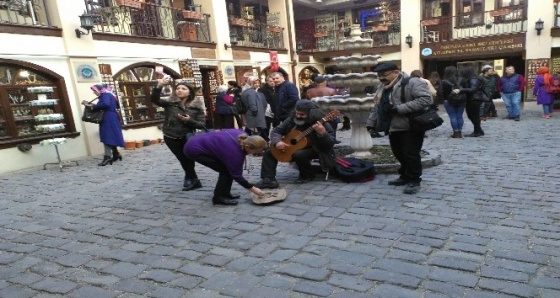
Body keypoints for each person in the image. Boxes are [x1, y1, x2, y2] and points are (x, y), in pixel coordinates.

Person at [370, 62, 433, 194]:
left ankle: (414, 180)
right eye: (379, 75)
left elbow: (426, 100)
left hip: (411, 125)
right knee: (398, 153)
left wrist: (398, 109)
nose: (381, 78)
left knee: (411, 154)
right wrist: (371, 123)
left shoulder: (413, 83)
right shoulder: (382, 87)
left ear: (396, 72)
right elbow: (377, 106)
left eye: (384, 75)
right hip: (393, 126)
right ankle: (404, 176)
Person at [255, 100, 336, 188]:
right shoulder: (291, 120)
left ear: (311, 114)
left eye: (302, 115)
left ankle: (307, 175)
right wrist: (277, 141)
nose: (298, 116)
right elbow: (277, 131)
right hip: (293, 147)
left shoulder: (322, 123)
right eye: (297, 113)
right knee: (269, 152)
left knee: (299, 154)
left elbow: (330, 143)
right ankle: (268, 179)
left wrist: (323, 133)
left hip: (317, 149)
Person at [151, 76, 206, 191]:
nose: (180, 90)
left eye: (183, 89)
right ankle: (193, 178)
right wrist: (159, 86)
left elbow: (201, 124)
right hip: (170, 135)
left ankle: (190, 177)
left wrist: (189, 120)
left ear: (190, 92)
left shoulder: (196, 107)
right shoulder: (170, 103)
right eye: (178, 88)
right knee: (182, 157)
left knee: (188, 158)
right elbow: (154, 99)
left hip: (187, 136)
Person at [184, 130, 267, 206]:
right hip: (194, 149)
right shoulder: (235, 153)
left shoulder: (243, 134)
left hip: (200, 141)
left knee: (227, 169)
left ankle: (225, 193)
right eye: (256, 152)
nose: (257, 154)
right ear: (248, 147)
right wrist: (253, 189)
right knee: (225, 170)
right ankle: (219, 197)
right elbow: (237, 175)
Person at [82, 83, 125, 166]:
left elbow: (106, 104)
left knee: (107, 136)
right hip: (112, 117)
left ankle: (107, 156)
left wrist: (92, 107)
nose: (94, 92)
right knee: (111, 135)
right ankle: (116, 153)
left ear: (100, 89)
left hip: (108, 118)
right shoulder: (109, 94)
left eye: (95, 91)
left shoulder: (105, 94)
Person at [305, 76, 341, 143]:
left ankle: (319, 141)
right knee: (332, 128)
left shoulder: (309, 91)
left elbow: (307, 103)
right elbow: (336, 102)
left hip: (315, 114)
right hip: (330, 114)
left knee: (317, 129)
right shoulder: (331, 90)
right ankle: (332, 140)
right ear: (325, 82)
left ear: (315, 82)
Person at [440, 66, 466, 138]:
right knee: (460, 116)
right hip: (461, 100)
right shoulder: (462, 79)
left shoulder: (444, 81)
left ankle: (456, 132)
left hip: (448, 100)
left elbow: (441, 92)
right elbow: (466, 89)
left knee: (453, 116)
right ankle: (460, 132)